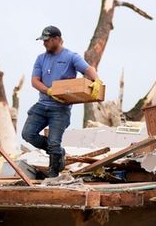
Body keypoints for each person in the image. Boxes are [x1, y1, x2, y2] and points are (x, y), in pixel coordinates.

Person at [22, 25, 101, 177]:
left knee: (53, 142)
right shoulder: (41, 58)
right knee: (28, 134)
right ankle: (58, 152)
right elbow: (35, 81)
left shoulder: (71, 57)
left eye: (47, 40)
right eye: (43, 41)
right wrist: (48, 90)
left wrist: (96, 80)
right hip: (42, 104)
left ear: (57, 39)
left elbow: (88, 69)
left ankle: (53, 173)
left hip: (60, 108)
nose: (44, 43)